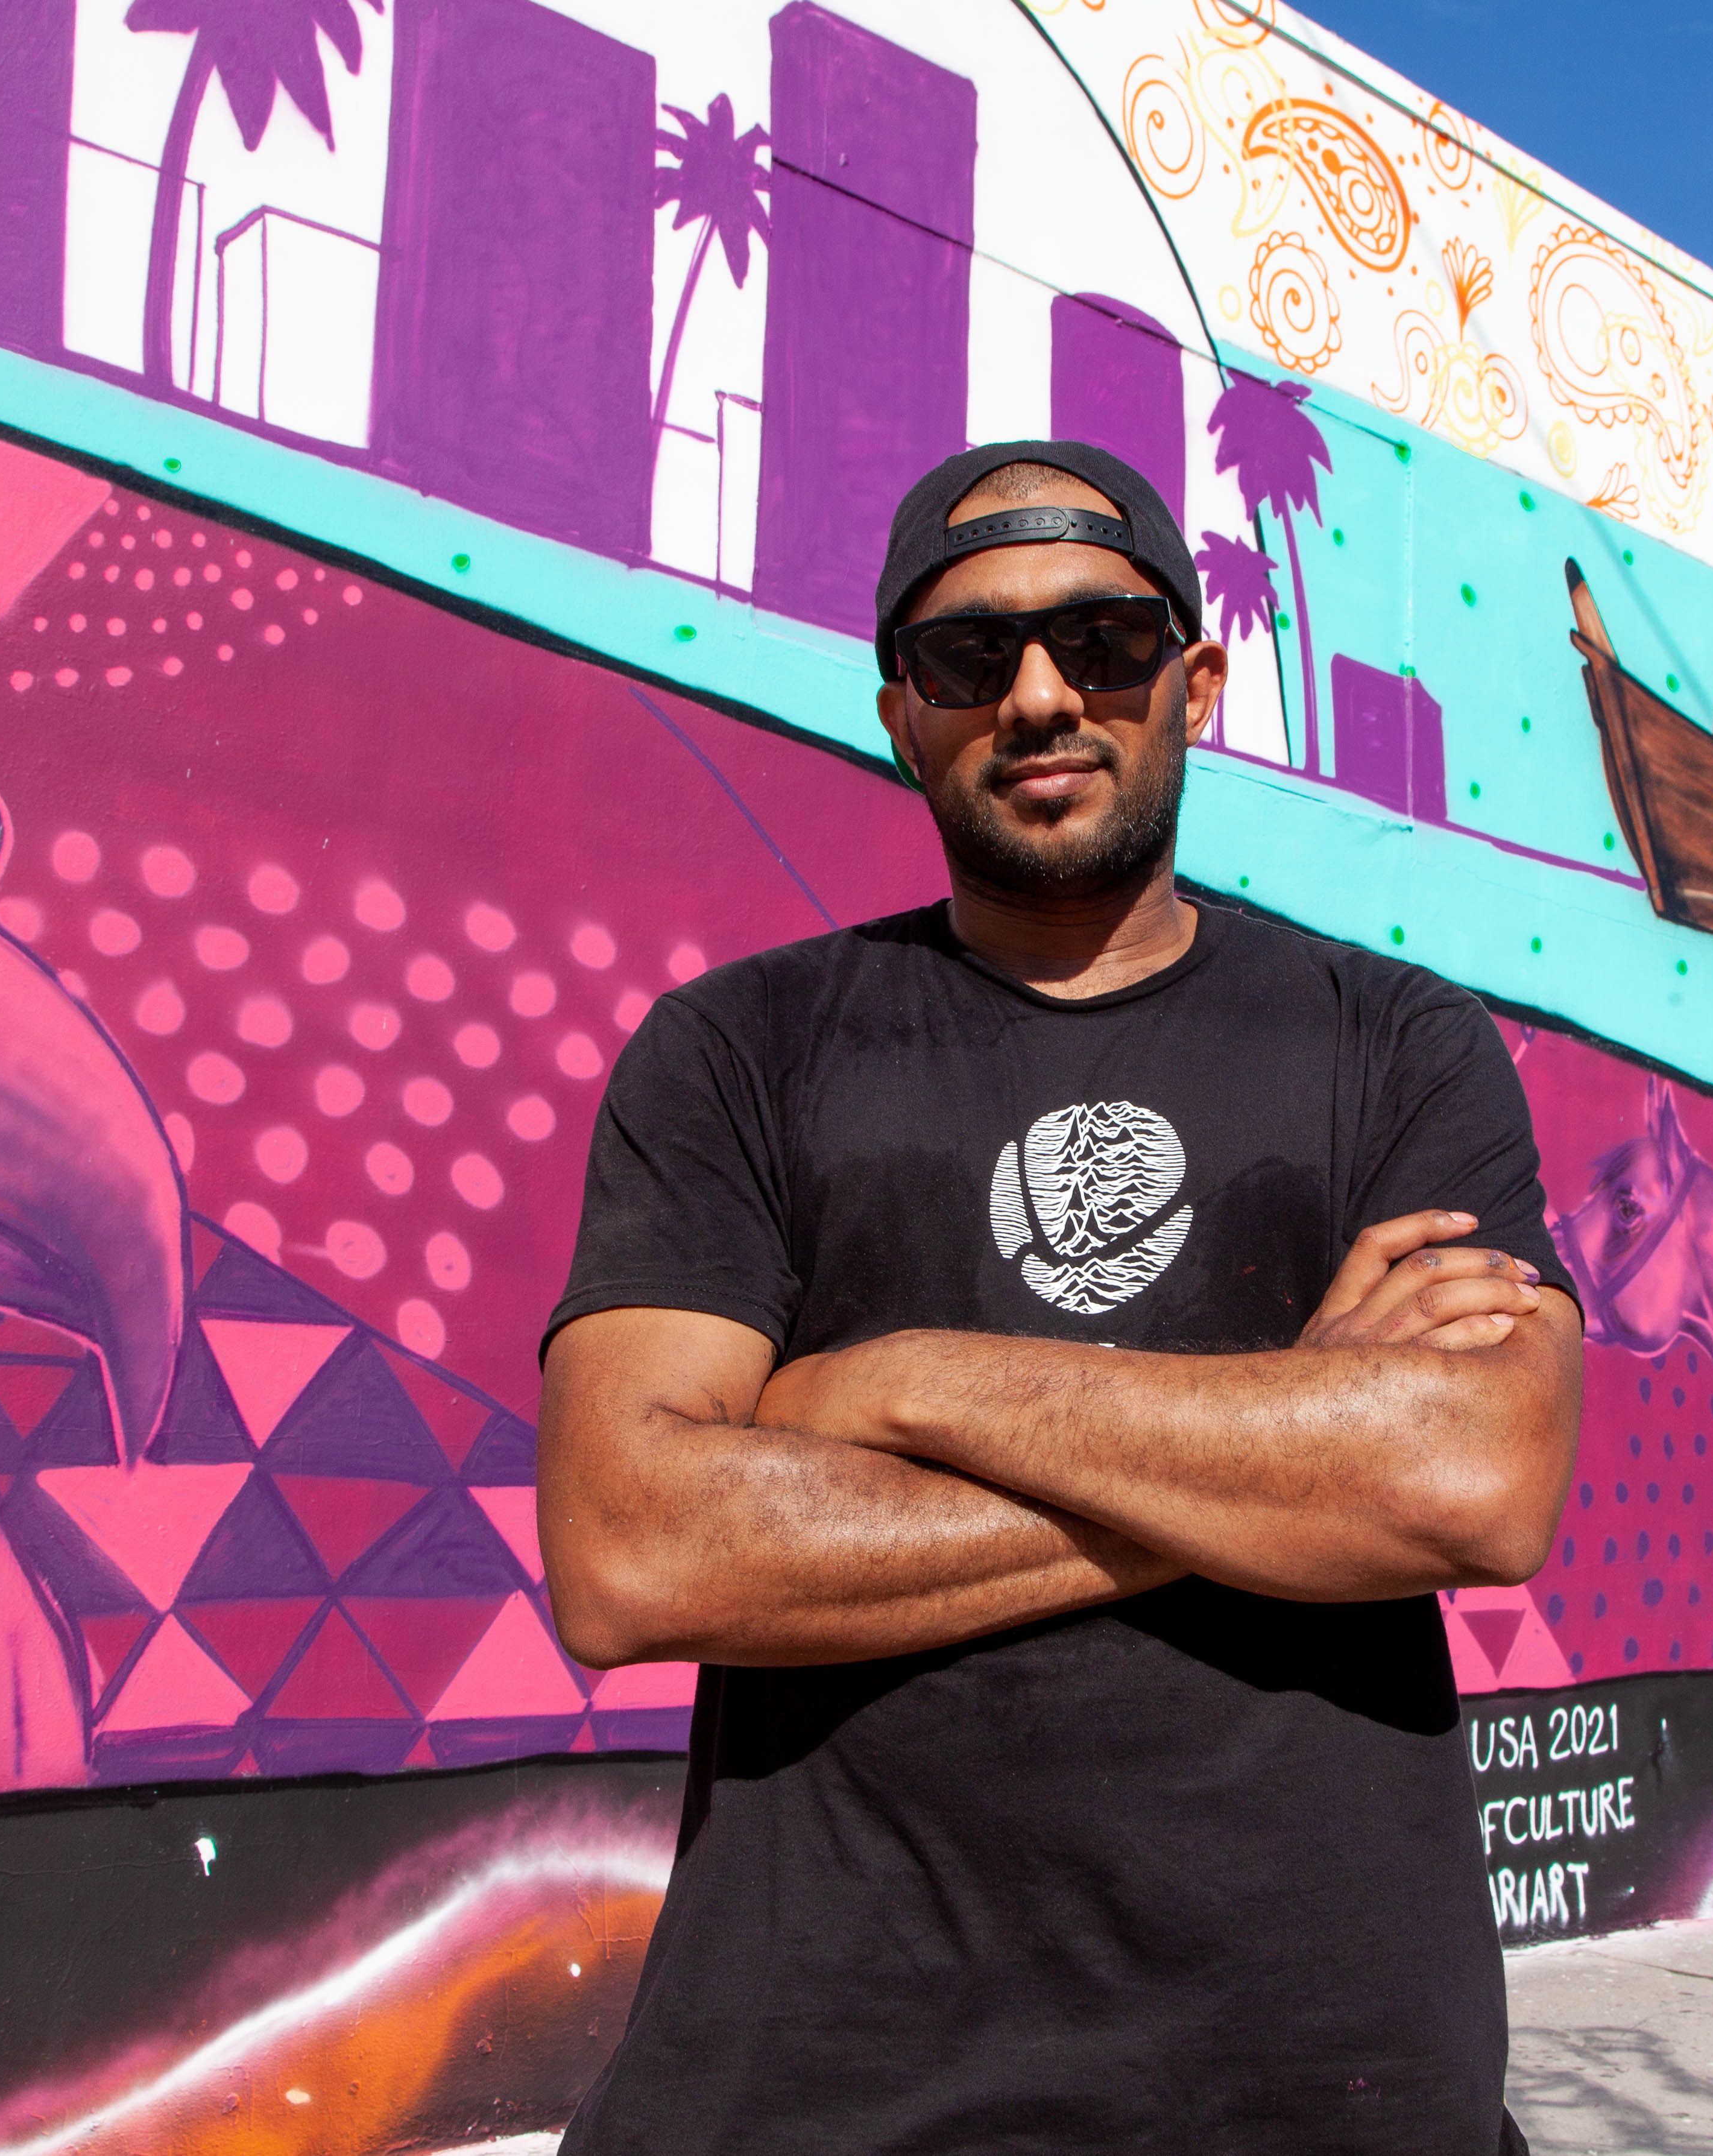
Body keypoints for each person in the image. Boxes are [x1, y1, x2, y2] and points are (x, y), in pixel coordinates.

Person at [536, 438, 1583, 2153]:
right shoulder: (739, 1051)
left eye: (1099, 642)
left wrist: (893, 1383)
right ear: (900, 716)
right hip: (819, 2082)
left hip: (1322, 2083)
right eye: (969, 659)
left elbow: (1474, 1480)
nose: (1037, 696)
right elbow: (631, 1544)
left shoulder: (1393, 1042)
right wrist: (1290, 1438)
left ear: (1195, 681)